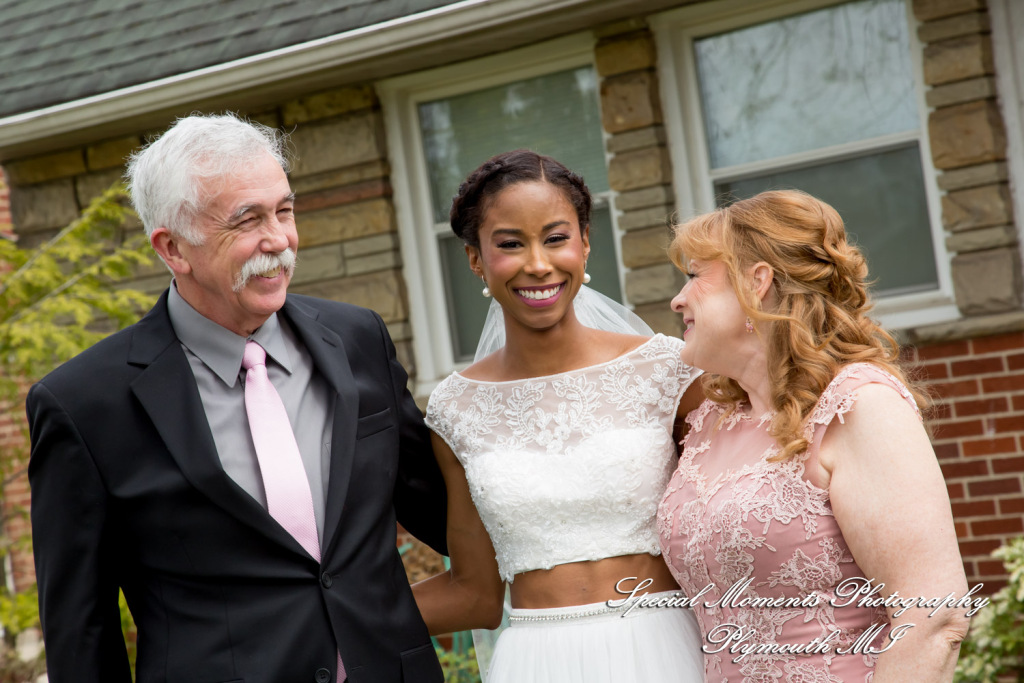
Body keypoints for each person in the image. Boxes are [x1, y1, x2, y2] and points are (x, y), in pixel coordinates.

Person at [27, 113, 448, 683]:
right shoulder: (83, 405)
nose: (279, 240)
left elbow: (442, 511)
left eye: (284, 210)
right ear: (173, 249)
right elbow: (82, 633)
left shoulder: (359, 339)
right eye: (247, 220)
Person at [417, 149, 706, 682]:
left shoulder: (668, 371)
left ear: (585, 242)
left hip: (667, 647)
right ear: (475, 259)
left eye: (555, 238)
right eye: (510, 244)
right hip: (535, 662)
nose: (538, 264)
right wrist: (323, 614)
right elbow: (475, 594)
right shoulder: (456, 410)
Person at [659, 189, 971, 682]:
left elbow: (934, 618)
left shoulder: (858, 406)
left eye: (695, 276)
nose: (678, 299)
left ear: (756, 282)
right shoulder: (710, 422)